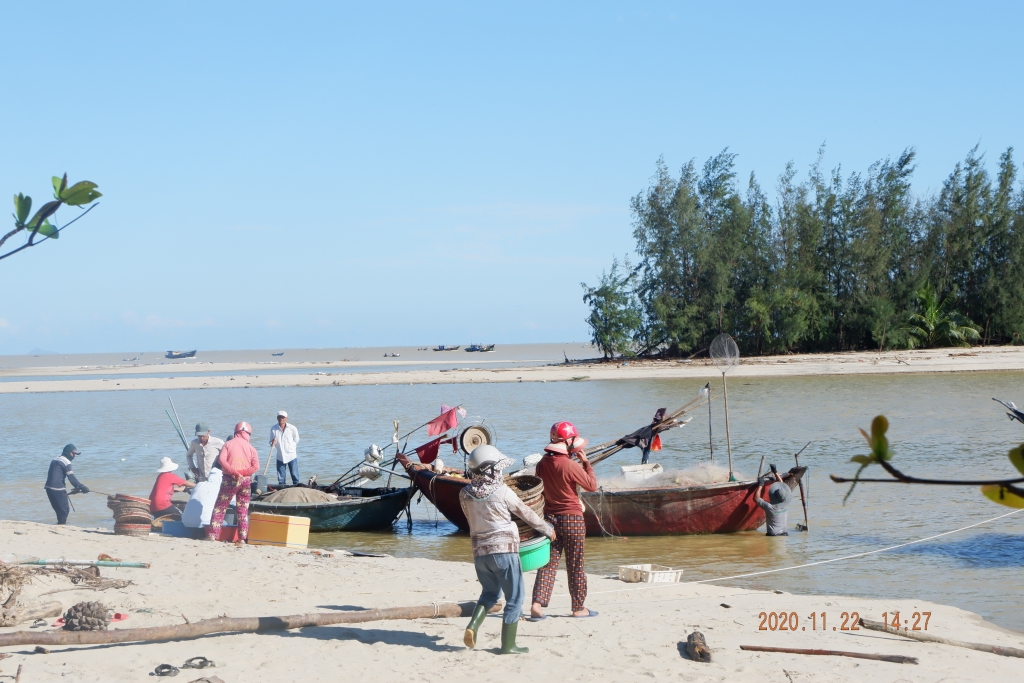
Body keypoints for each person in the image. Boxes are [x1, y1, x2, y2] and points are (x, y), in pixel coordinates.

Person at [460, 445, 555, 654]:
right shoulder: (502, 491)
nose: (500, 472)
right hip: (504, 552)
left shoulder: (464, 494)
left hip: (480, 554)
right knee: (515, 598)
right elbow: (526, 513)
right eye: (497, 469)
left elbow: (470, 520)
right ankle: (508, 645)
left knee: (489, 594)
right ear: (491, 470)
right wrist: (548, 529)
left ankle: (472, 626)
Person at [530, 421, 599, 620]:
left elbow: (541, 488)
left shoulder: (542, 464)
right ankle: (578, 608)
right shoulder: (570, 465)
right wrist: (586, 464)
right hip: (572, 519)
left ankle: (537, 604)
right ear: (567, 443)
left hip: (549, 520)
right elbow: (592, 486)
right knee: (575, 564)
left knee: (548, 564)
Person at [207, 421, 260, 544]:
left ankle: (213, 536)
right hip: (245, 481)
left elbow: (221, 460)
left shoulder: (228, 444)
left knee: (220, 507)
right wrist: (242, 473)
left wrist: (234, 472)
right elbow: (256, 467)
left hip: (229, 480)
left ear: (235, 432)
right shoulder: (251, 448)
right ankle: (241, 538)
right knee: (243, 510)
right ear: (248, 434)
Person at [44, 444, 90, 525]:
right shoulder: (66, 462)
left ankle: (60, 524)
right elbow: (71, 478)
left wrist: (77, 488)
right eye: (73, 454)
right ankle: (62, 525)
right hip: (57, 489)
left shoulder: (55, 459)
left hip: (48, 488)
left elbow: (57, 476)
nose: (74, 456)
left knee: (59, 510)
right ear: (68, 453)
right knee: (64, 510)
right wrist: (81, 487)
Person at [181, 460, 224, 528]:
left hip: (185, 523)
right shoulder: (220, 489)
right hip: (204, 525)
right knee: (225, 522)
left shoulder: (199, 484)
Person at [754, 464, 790, 536]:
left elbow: (756, 498)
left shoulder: (770, 508)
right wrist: (775, 472)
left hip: (773, 535)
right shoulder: (786, 504)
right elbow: (781, 485)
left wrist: (760, 485)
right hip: (784, 533)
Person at [270, 410, 300, 486]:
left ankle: (297, 489)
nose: (281, 419)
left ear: (286, 418)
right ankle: (282, 490)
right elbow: (271, 442)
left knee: (295, 476)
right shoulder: (273, 429)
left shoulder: (292, 428)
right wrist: (272, 442)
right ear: (277, 418)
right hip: (280, 456)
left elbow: (296, 440)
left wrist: (291, 447)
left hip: (291, 455)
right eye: (279, 417)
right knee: (281, 479)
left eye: (283, 417)